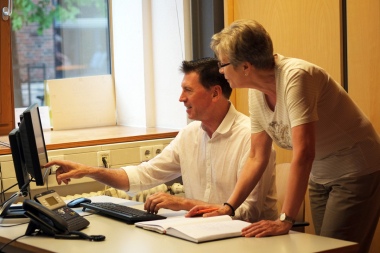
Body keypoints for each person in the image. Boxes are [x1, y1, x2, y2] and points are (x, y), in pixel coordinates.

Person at [187, 20, 380, 253]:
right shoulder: (256, 93)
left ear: (246, 66)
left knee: (336, 250)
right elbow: (257, 157)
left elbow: (304, 153)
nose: (220, 70)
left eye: (223, 64)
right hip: (320, 174)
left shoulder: (296, 77)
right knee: (327, 247)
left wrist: (285, 219)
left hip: (356, 168)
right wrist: (229, 207)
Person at [45, 58, 278, 223]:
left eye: (188, 90)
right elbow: (142, 176)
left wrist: (183, 203)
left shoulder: (251, 138)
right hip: (201, 236)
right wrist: (89, 171)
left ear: (215, 93)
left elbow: (249, 213)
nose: (181, 98)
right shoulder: (189, 135)